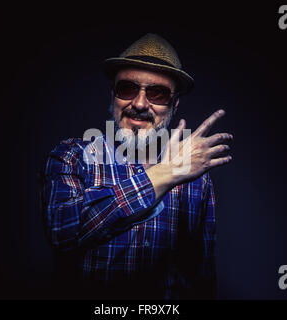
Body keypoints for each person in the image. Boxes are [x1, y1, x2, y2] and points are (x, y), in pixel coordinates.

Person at [40, 33, 233, 300]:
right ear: (113, 95)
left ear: (174, 104)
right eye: (127, 89)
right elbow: (64, 233)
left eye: (157, 93)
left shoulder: (196, 178)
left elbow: (201, 275)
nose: (140, 104)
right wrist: (166, 174)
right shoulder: (71, 156)